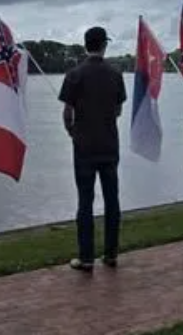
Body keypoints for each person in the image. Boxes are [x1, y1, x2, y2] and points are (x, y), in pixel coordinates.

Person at [58, 26, 127, 272]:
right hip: (109, 145)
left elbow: (67, 112)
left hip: (84, 146)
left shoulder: (75, 74)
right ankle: (111, 254)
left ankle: (86, 257)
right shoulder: (115, 74)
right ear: (104, 45)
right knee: (112, 200)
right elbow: (118, 110)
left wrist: (72, 132)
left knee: (85, 201)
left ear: (86, 44)